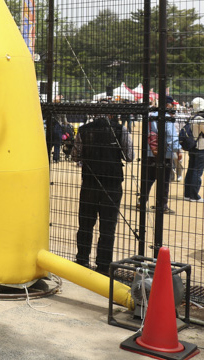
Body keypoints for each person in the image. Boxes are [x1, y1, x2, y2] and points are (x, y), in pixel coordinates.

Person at [71, 114, 134, 274]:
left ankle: (82, 259)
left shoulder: (84, 130)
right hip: (112, 184)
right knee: (108, 227)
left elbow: (75, 156)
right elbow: (129, 156)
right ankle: (103, 265)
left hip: (90, 183)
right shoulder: (121, 129)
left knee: (85, 224)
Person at [139, 96, 181, 214]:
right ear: (167, 105)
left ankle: (142, 200)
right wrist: (178, 150)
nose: (173, 106)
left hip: (150, 151)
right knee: (164, 180)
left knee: (149, 178)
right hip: (164, 153)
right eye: (172, 104)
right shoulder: (167, 118)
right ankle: (162, 205)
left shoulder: (150, 116)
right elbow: (170, 135)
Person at [184, 99, 204, 202]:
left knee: (191, 169)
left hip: (192, 146)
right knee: (197, 171)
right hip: (200, 147)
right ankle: (194, 196)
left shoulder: (192, 117)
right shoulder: (200, 119)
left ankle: (187, 194)